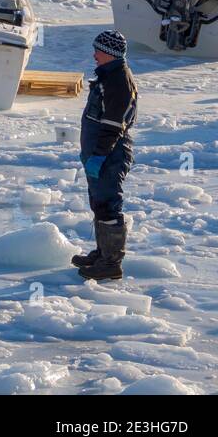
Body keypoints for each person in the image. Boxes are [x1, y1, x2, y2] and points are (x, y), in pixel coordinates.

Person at [71, 30, 137, 281]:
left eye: (98, 50)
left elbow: (112, 125)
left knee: (108, 204)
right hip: (99, 152)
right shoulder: (108, 76)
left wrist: (99, 155)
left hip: (110, 153)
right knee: (99, 202)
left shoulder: (118, 81)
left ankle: (111, 263)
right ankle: (103, 253)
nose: (94, 55)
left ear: (109, 53)